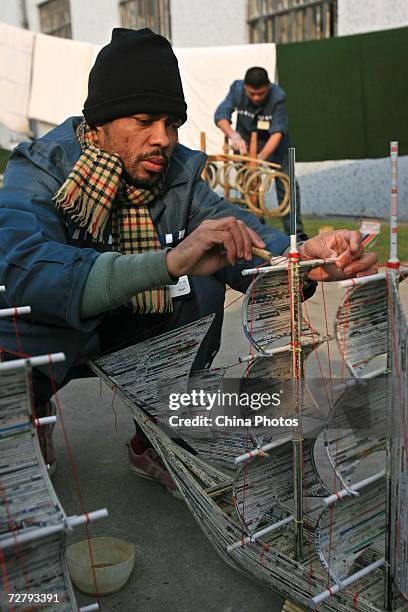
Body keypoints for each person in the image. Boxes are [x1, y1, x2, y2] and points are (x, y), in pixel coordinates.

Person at [0, 29, 376, 494]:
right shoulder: (41, 169)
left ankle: (156, 437)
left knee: (204, 284)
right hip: (56, 332)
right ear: (98, 125)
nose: (163, 138)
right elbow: (25, 271)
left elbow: (239, 229)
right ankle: (29, 410)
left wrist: (305, 259)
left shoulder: (178, 175)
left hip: (130, 326)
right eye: (144, 120)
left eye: (172, 123)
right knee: (12, 316)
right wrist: (166, 263)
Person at [214, 66, 306, 239]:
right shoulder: (236, 88)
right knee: (247, 186)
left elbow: (277, 132)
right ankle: (256, 229)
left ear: (269, 87)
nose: (256, 98)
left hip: (275, 145)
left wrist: (260, 159)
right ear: (245, 88)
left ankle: (296, 233)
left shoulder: (278, 96)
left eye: (260, 94)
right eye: (251, 94)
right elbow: (220, 115)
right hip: (245, 144)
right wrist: (233, 136)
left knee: (287, 184)